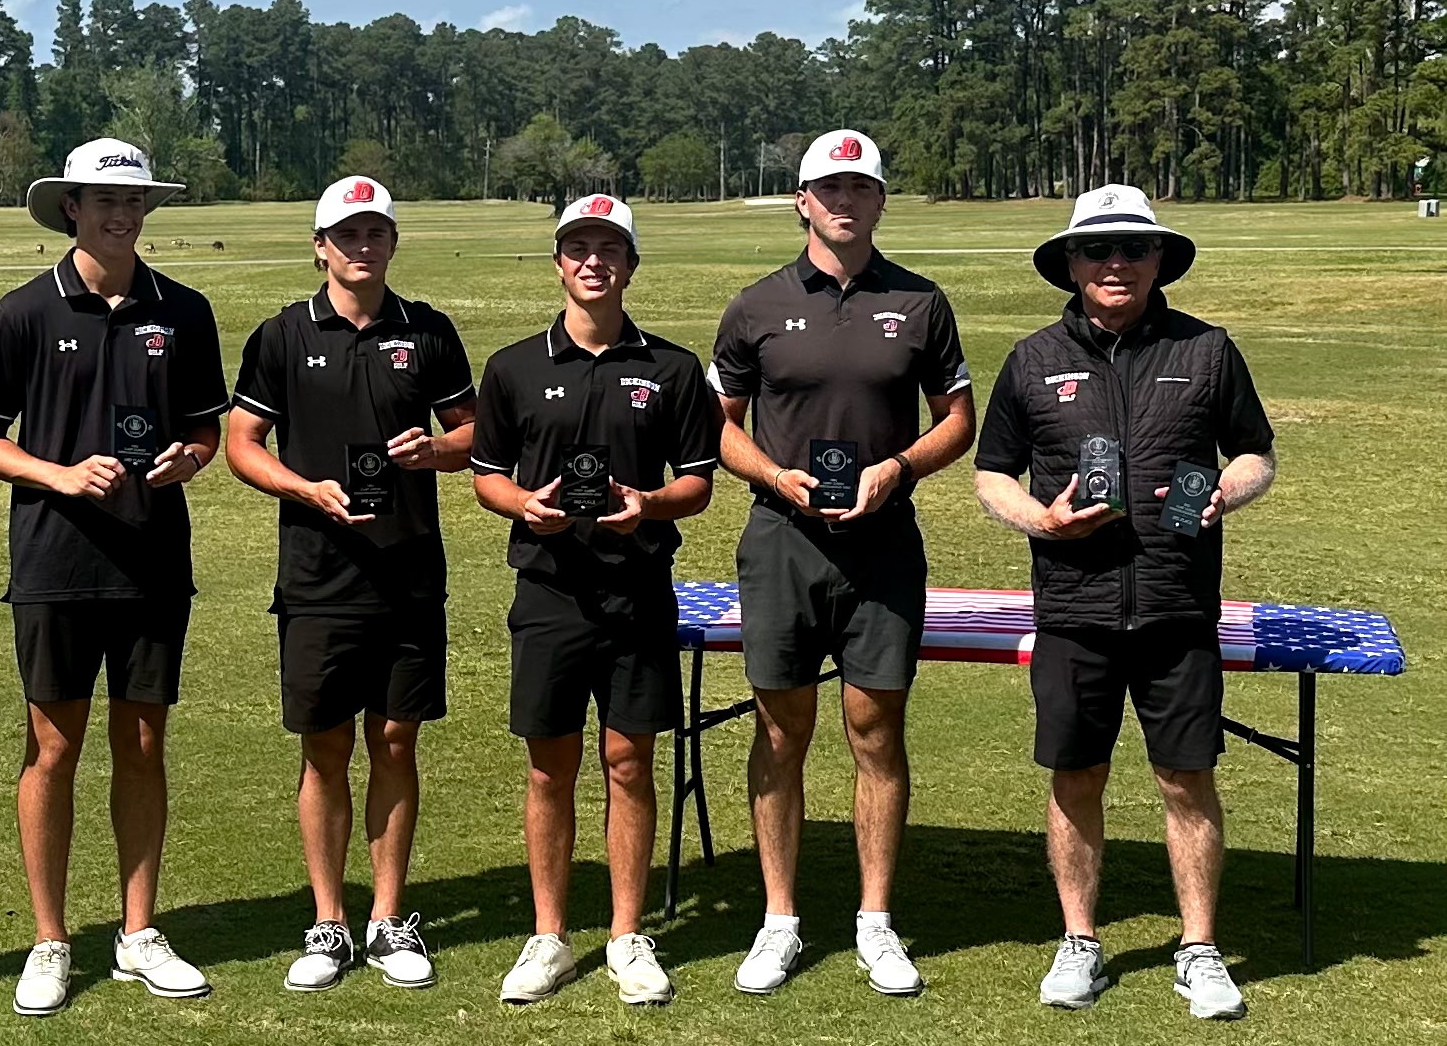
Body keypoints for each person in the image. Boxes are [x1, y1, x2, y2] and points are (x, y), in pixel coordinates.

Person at [972, 184, 1276, 1020]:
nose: (1116, 263)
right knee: (1076, 775)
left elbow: (1255, 452)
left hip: (1177, 607)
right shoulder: (1031, 358)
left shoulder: (1206, 349)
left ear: (1158, 260)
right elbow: (991, 471)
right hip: (1074, 608)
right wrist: (1039, 518)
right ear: (1070, 263)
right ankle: (1079, 939)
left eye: (1133, 248)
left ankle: (1198, 948)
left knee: (1186, 777)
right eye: (1097, 249)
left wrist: (1226, 492)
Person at [708, 129, 976, 996]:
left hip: (882, 543)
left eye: (860, 188)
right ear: (802, 200)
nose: (844, 201)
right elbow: (717, 425)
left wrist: (897, 467)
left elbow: (957, 419)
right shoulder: (755, 305)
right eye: (829, 188)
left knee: (875, 730)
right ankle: (778, 919)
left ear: (880, 200)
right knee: (779, 731)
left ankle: (875, 920)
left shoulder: (921, 302)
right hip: (781, 541)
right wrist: (770, 474)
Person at [0, 138, 228, 1015]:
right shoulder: (23, 311)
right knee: (53, 748)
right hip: (54, 558)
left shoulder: (183, 310)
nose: (121, 215)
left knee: (143, 744)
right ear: (70, 208)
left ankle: (138, 931)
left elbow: (205, 429)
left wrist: (190, 459)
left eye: (133, 201)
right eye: (104, 200)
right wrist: (59, 474)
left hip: (152, 557)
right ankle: (49, 939)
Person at [227, 176, 476, 992]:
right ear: (320, 246)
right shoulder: (282, 334)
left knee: (396, 740)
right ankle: (329, 919)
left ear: (392, 243)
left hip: (408, 572)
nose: (361, 246)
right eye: (346, 234)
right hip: (317, 574)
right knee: (325, 743)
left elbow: (476, 434)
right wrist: (303, 488)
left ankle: (390, 917)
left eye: (375, 233)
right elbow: (241, 443)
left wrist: (434, 452)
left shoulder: (427, 331)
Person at [471, 194, 721, 1006]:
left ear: (630, 266)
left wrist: (649, 504)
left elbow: (697, 482)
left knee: (628, 761)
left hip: (637, 591)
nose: (592, 261)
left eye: (609, 249)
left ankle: (625, 934)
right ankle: (548, 936)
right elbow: (486, 475)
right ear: (557, 262)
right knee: (549, 767)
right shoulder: (513, 365)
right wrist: (523, 506)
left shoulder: (673, 368)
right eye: (578, 247)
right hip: (548, 590)